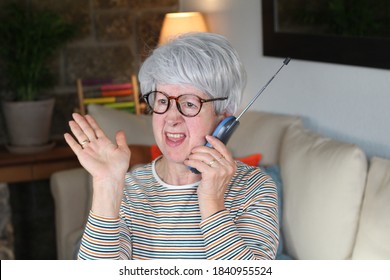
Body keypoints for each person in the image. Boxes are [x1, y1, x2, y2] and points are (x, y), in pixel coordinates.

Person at [65, 32, 279, 260]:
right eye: (163, 101)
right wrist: (107, 186)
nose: (171, 117)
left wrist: (211, 202)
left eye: (188, 103)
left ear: (224, 118)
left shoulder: (255, 188)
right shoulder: (129, 188)